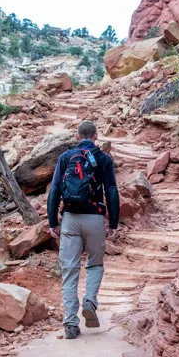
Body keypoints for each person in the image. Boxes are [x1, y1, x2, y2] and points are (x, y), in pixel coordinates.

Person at [47, 120, 119, 339]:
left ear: (77, 136)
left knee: (69, 271)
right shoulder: (104, 159)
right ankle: (89, 301)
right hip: (95, 218)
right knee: (95, 264)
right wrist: (114, 223)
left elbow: (55, 190)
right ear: (96, 135)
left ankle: (70, 324)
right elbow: (112, 191)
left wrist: (52, 221)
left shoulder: (66, 157)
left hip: (70, 218)